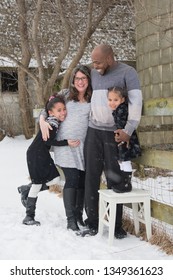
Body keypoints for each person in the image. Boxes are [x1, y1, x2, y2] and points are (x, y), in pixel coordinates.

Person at [84, 44, 142, 238]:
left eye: (98, 61)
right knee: (91, 176)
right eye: (93, 61)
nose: (95, 65)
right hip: (93, 132)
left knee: (114, 179)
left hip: (114, 134)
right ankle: (92, 222)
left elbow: (136, 103)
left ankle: (116, 226)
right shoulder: (92, 73)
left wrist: (128, 130)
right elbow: (74, 93)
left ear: (109, 58)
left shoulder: (128, 72)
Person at [39, 65, 92, 232]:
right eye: (77, 78)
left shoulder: (93, 98)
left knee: (82, 181)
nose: (80, 81)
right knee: (72, 179)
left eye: (84, 78)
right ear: (72, 80)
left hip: (83, 147)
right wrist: (42, 120)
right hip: (65, 144)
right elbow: (46, 108)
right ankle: (70, 220)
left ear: (88, 80)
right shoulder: (65, 94)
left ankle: (78, 216)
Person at [22, 95, 78, 226]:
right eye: (59, 110)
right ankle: (29, 216)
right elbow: (48, 140)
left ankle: (26, 190)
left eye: (64, 109)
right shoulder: (51, 124)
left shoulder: (53, 121)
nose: (63, 112)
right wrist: (67, 142)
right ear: (51, 113)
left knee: (55, 179)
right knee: (37, 184)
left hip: (42, 155)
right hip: (36, 155)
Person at [107, 86, 141, 193]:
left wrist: (121, 135)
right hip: (121, 137)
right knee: (121, 160)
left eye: (115, 100)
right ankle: (123, 181)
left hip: (125, 138)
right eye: (110, 100)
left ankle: (127, 183)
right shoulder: (118, 109)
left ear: (122, 100)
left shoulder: (122, 109)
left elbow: (121, 125)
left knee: (125, 159)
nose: (112, 103)